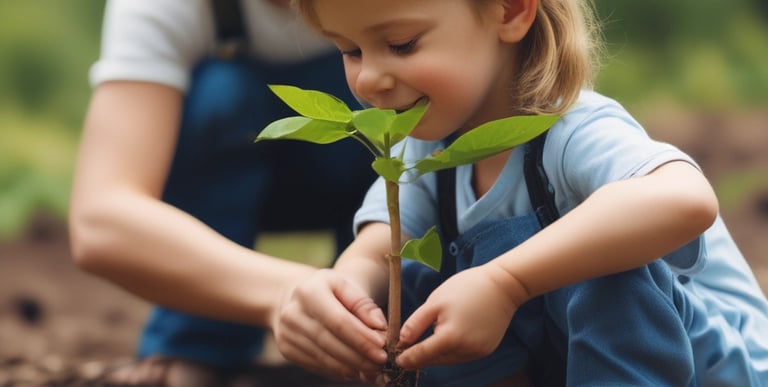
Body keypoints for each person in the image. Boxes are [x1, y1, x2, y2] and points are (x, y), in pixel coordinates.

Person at [273, 0, 768, 385]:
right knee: (422, 285)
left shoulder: (570, 126)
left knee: (578, 257)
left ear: (509, 11)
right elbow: (376, 251)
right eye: (350, 50)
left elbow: (686, 199)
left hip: (715, 366)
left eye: (402, 44)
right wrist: (338, 296)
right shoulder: (425, 153)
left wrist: (507, 281)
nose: (370, 79)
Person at [68, 0, 377, 385]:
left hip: (372, 184)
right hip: (222, 180)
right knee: (220, 95)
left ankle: (384, 320)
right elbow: (101, 218)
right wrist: (284, 292)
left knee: (398, 86)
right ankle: (199, 338)